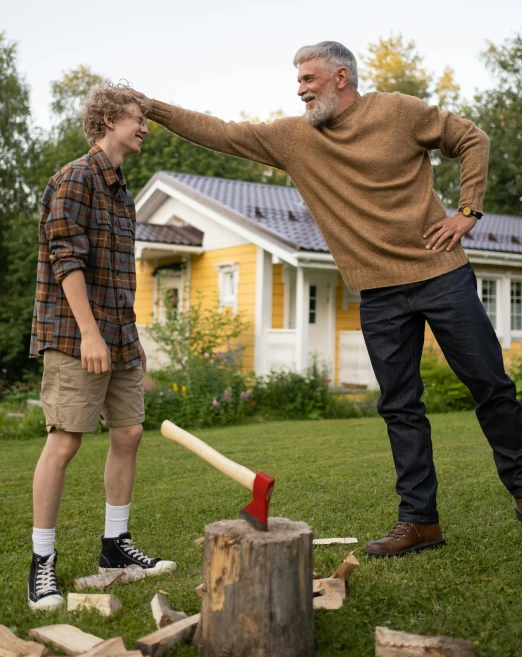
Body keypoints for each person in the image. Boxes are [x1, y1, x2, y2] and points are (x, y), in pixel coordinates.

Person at [132, 41, 522, 557]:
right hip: (378, 292)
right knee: (399, 406)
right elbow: (223, 133)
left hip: (440, 273)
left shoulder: (399, 112)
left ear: (341, 77)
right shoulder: (296, 138)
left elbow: (471, 137)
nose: (300, 89)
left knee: (490, 385)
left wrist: (467, 212)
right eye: (297, 81)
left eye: (309, 79)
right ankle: (420, 521)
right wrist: (151, 108)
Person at [28, 84, 176, 611]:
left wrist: (123, 339)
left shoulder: (121, 190)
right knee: (65, 443)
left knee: (130, 432)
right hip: (76, 335)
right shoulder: (74, 178)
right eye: (138, 118)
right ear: (109, 119)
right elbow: (65, 259)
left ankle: (115, 548)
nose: (144, 127)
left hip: (120, 334)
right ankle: (41, 562)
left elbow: (117, 274)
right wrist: (90, 333)